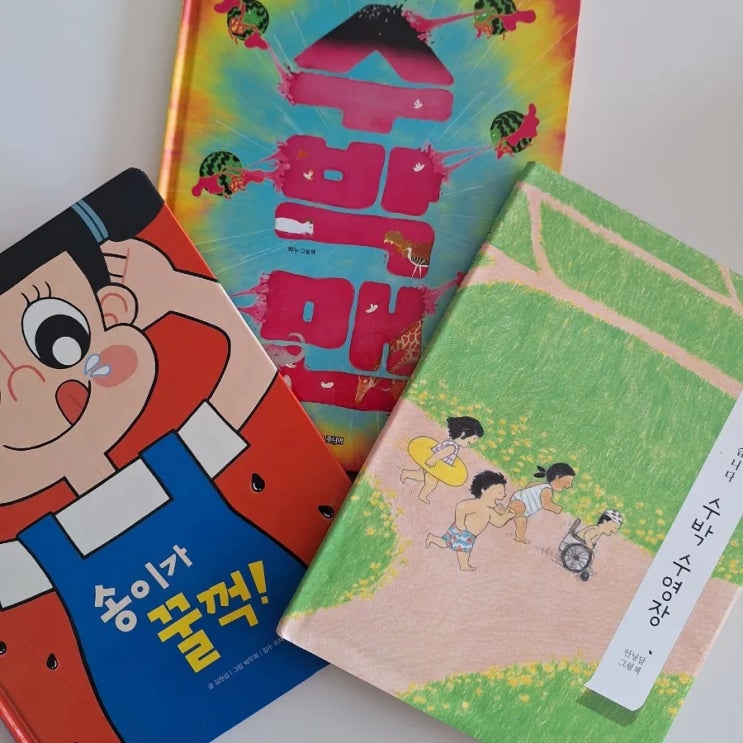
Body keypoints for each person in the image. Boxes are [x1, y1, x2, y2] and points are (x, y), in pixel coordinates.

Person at [426, 470, 513, 570]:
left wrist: (507, 516)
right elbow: (460, 507)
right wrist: (460, 523)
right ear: (484, 490)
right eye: (500, 492)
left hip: (470, 535)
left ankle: (432, 538)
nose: (504, 495)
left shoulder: (490, 511)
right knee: (462, 550)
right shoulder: (476, 504)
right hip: (462, 531)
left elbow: (498, 522)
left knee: (446, 543)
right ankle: (464, 566)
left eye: (503, 492)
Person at [401, 415, 484, 503]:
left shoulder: (451, 443)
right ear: (463, 433)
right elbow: (441, 454)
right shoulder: (452, 447)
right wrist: (432, 460)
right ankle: (422, 495)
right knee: (431, 482)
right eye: (474, 438)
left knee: (421, 475)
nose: (474, 441)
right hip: (434, 466)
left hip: (435, 465)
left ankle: (406, 473)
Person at [508, 462, 575, 544]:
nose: (569, 485)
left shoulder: (542, 485)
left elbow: (529, 485)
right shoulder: (547, 489)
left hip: (523, 506)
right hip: (520, 504)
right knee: (510, 514)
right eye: (568, 482)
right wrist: (556, 509)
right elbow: (546, 504)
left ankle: (519, 537)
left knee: (521, 521)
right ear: (557, 477)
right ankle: (500, 515)